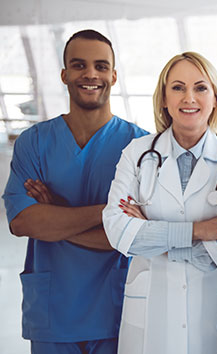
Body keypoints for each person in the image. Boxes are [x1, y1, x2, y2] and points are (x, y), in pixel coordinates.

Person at [2, 30, 146, 354]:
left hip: (118, 312)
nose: (90, 74)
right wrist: (108, 211)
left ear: (114, 75)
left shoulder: (141, 146)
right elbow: (23, 223)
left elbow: (134, 234)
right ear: (64, 74)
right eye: (79, 65)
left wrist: (55, 214)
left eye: (100, 65)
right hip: (53, 314)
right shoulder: (33, 143)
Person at [102, 52, 217, 354]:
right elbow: (118, 231)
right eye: (177, 87)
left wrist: (151, 232)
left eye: (200, 87)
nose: (189, 97)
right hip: (151, 310)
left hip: (216, 308)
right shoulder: (137, 153)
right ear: (163, 98)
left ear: (215, 98)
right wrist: (203, 230)